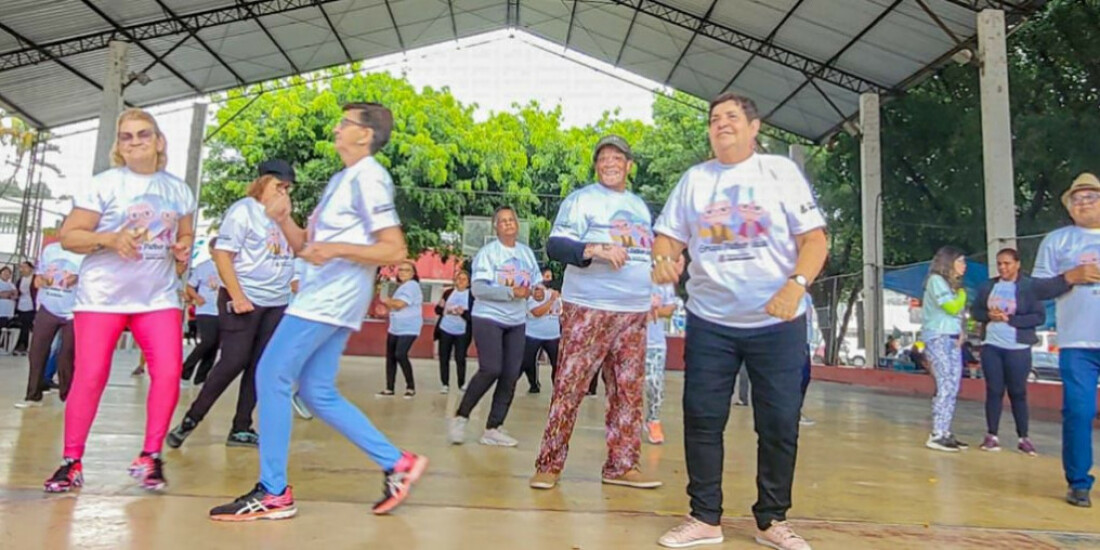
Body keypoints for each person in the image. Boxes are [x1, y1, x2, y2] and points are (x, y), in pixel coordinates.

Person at [209, 102, 427, 520]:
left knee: (271, 374)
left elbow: (394, 249)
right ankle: (397, 463)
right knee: (316, 392)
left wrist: (338, 248)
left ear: (365, 135)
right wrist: (283, 219)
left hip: (329, 301)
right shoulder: (342, 180)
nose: (337, 128)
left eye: (346, 124)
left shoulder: (370, 178)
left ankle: (273, 491)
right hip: (325, 299)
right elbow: (307, 247)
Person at [652, 93, 827, 549]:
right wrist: (664, 260)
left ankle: (772, 520)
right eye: (714, 119)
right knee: (702, 418)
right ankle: (704, 518)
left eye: (731, 117)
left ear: (755, 128)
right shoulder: (695, 180)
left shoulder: (779, 173)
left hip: (778, 323)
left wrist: (797, 284)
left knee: (779, 420)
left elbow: (815, 240)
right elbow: (667, 238)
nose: (721, 124)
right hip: (710, 320)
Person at [44, 108, 195, 493]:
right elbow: (70, 236)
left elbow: (186, 233)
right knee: (90, 375)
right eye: (126, 137)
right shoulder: (104, 185)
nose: (135, 142)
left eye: (143, 134)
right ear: (119, 145)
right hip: (102, 297)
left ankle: (150, 457)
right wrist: (111, 239)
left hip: (156, 297)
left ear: (159, 141)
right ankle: (71, 462)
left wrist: (182, 249)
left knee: (167, 374)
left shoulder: (178, 190)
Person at [530, 135, 660, 491]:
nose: (611, 163)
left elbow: (647, 254)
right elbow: (556, 245)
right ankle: (549, 463)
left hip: (632, 311)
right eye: (604, 158)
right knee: (570, 385)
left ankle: (621, 465)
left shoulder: (638, 206)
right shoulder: (581, 200)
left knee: (628, 392)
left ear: (629, 165)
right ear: (596, 165)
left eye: (618, 158)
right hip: (588, 307)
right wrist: (595, 249)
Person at [168, 161, 297, 449]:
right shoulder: (243, 211)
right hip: (244, 298)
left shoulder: (283, 216)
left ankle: (242, 426)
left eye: (288, 188)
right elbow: (224, 255)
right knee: (233, 361)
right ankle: (191, 419)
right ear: (262, 183)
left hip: (275, 301)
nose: (284, 193)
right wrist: (238, 296)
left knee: (260, 365)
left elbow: (295, 249)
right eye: (279, 186)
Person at [1032, 172, 1100, 508]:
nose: (1084, 203)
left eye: (1091, 196)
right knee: (1078, 411)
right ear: (1070, 207)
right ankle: (1079, 483)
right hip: (1078, 344)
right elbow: (1037, 289)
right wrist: (1070, 277)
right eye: (1078, 198)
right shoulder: (1058, 242)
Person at [449, 205, 539, 447]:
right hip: (489, 316)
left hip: (517, 320)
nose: (508, 223)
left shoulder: (526, 254)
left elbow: (536, 284)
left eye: (512, 219)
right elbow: (478, 289)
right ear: (495, 227)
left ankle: (493, 428)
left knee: (510, 375)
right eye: (503, 221)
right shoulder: (488, 254)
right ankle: (461, 416)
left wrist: (538, 292)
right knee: (491, 368)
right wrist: (510, 292)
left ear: (517, 224)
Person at [971, 248, 1066, 455]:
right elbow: (975, 311)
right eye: (999, 264)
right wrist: (989, 315)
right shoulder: (989, 286)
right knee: (994, 390)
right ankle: (991, 435)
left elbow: (1038, 317)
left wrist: (1011, 320)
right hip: (992, 346)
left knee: (1018, 392)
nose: (1003, 268)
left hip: (1018, 348)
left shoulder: (1029, 287)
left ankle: (1024, 437)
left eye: (1007, 263)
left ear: (1017, 264)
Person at [15, 241, 83, 408]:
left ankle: (68, 395)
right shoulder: (50, 250)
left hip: (73, 311)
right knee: (37, 352)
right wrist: (42, 280)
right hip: (48, 308)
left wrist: (74, 279)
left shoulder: (85, 252)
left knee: (66, 355)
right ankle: (33, 396)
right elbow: (38, 278)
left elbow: (82, 279)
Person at [921, 246, 969, 452]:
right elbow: (951, 307)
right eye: (961, 261)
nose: (964, 266)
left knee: (953, 384)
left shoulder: (952, 287)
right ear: (949, 263)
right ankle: (937, 433)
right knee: (945, 383)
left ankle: (945, 430)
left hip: (952, 338)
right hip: (938, 337)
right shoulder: (936, 281)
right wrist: (963, 295)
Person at [180, 238, 222, 385]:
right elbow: (190, 287)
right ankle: (186, 367)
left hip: (222, 311)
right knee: (208, 340)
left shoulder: (230, 267)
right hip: (206, 310)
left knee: (215, 345)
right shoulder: (202, 267)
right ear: (211, 250)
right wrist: (197, 297)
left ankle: (201, 377)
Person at [379, 260, 422, 398]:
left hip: (408, 327)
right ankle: (389, 388)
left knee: (400, 354)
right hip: (395, 327)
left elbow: (399, 304)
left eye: (407, 270)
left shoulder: (411, 286)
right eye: (401, 270)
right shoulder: (401, 287)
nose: (402, 272)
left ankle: (410, 387)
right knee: (390, 357)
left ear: (413, 274)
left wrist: (386, 301)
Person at [644, 282, 678, 444]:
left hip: (654, 343)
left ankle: (653, 419)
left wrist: (653, 313)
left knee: (655, 383)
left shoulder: (663, 280)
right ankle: (624, 424)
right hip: (628, 340)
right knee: (625, 387)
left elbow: (670, 309)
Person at [435, 270, 473, 394]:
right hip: (445, 328)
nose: (461, 281)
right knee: (443, 357)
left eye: (464, 279)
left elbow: (473, 317)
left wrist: (463, 313)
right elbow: (438, 310)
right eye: (459, 279)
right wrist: (441, 307)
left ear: (468, 283)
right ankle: (444, 383)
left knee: (460, 358)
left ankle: (461, 383)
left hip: (462, 332)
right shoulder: (448, 293)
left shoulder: (471, 296)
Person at [522, 284, 561, 394]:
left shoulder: (553, 295)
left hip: (553, 335)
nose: (538, 293)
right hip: (532, 335)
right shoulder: (530, 298)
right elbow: (537, 313)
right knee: (528, 362)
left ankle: (557, 388)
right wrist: (551, 301)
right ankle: (534, 384)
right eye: (536, 290)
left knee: (557, 363)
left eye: (540, 290)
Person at [13, 260, 37, 355]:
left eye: (25, 267)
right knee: (21, 325)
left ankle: (22, 346)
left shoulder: (35, 279)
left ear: (30, 268)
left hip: (30, 306)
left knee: (26, 326)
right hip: (21, 306)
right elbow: (18, 291)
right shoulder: (20, 280)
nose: (22, 269)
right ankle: (20, 345)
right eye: (21, 267)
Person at [0, 266, 17, 336]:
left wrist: (7, 293)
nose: (6, 274)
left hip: (8, 312)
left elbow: (15, 295)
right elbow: (2, 295)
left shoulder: (12, 285)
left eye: (8, 273)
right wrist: (10, 293)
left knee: (5, 333)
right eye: (4, 273)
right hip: (1, 311)